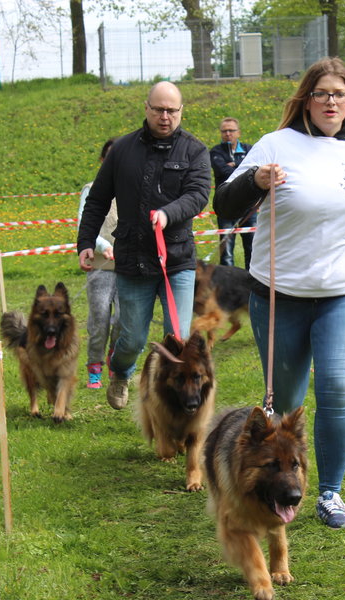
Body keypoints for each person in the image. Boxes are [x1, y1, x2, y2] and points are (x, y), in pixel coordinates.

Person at [215, 57, 345, 530]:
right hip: (278, 294)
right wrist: (256, 181)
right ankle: (277, 486)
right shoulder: (274, 145)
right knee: (286, 406)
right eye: (323, 94)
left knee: (337, 387)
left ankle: (330, 493)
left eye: (341, 95)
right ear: (306, 99)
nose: (332, 102)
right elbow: (223, 205)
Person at [77, 81, 211, 410]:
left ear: (181, 111)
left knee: (178, 339)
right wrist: (85, 242)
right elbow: (96, 200)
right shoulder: (122, 150)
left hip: (176, 260)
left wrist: (168, 214)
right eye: (159, 109)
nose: (165, 116)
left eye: (172, 110)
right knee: (133, 339)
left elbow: (198, 195)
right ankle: (120, 371)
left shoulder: (195, 151)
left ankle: (173, 401)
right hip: (133, 261)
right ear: (147, 108)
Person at [78, 138, 119, 389]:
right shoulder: (91, 189)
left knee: (125, 320)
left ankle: (116, 359)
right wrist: (104, 246)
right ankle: (94, 367)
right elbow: (85, 223)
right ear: (103, 162)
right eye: (110, 158)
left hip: (129, 267)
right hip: (100, 265)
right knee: (100, 318)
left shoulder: (135, 189)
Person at [210, 117, 255, 269]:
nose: (228, 134)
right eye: (224, 131)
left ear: (238, 132)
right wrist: (240, 168)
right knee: (227, 251)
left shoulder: (249, 149)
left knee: (252, 248)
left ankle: (251, 284)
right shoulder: (215, 151)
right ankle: (228, 285)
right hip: (226, 206)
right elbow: (222, 171)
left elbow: (253, 170)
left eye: (231, 130)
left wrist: (234, 167)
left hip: (249, 206)